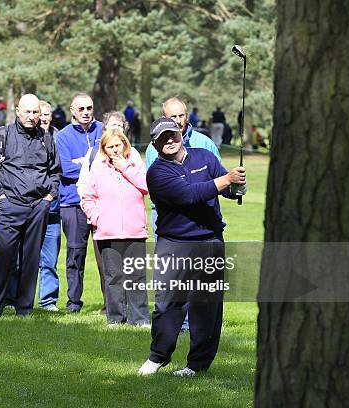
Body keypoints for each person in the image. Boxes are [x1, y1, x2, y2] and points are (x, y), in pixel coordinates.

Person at [138, 117, 246, 377]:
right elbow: (189, 195)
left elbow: (225, 186)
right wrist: (226, 181)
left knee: (207, 307)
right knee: (167, 304)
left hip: (209, 241)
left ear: (181, 132)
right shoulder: (157, 172)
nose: (170, 141)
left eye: (172, 134)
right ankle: (158, 356)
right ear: (155, 143)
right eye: (163, 138)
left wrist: (237, 186)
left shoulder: (204, 157)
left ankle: (197, 366)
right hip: (174, 244)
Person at [0, 93, 61, 318]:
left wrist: (49, 198)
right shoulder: (1, 135)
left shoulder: (46, 138)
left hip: (38, 207)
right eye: (28, 112)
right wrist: (0, 196)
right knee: (3, 256)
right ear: (17, 111)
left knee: (31, 259)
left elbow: (55, 171)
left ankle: (24, 308)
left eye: (36, 112)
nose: (32, 117)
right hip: (10, 205)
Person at [146, 97, 221, 332]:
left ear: (187, 115)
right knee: (170, 293)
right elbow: (178, 192)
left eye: (181, 116)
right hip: (173, 233)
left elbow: (222, 180)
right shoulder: (154, 153)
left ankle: (195, 341)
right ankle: (167, 340)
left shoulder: (205, 145)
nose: (178, 122)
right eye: (172, 117)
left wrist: (235, 185)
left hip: (206, 232)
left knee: (205, 296)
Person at [80, 128, 149, 326]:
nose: (115, 150)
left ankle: (140, 318)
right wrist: (97, 218)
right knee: (113, 277)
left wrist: (125, 167)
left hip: (134, 230)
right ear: (104, 149)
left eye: (118, 145)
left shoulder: (135, 164)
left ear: (125, 145)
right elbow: (88, 197)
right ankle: (116, 318)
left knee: (136, 276)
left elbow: (146, 185)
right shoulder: (99, 168)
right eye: (110, 147)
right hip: (107, 231)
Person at [77, 110, 130, 314]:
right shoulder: (94, 155)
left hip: (127, 222)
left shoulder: (132, 154)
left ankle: (129, 306)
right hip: (102, 221)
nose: (116, 129)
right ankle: (110, 305)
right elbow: (83, 186)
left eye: (119, 125)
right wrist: (95, 214)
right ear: (104, 129)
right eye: (111, 126)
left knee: (128, 266)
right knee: (105, 265)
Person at [56, 93, 103, 313]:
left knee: (107, 255)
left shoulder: (102, 130)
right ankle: (74, 303)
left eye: (89, 108)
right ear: (72, 110)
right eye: (81, 109)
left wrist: (82, 162)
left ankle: (111, 303)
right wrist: (92, 164)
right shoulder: (63, 136)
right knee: (76, 254)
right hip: (73, 203)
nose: (85, 112)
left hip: (103, 202)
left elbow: (110, 162)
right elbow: (64, 169)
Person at [36, 100, 61, 311]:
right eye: (40, 114)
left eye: (47, 114)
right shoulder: (28, 138)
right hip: (30, 209)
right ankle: (15, 299)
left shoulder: (58, 137)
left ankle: (48, 301)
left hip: (53, 210)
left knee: (49, 261)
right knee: (20, 259)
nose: (44, 117)